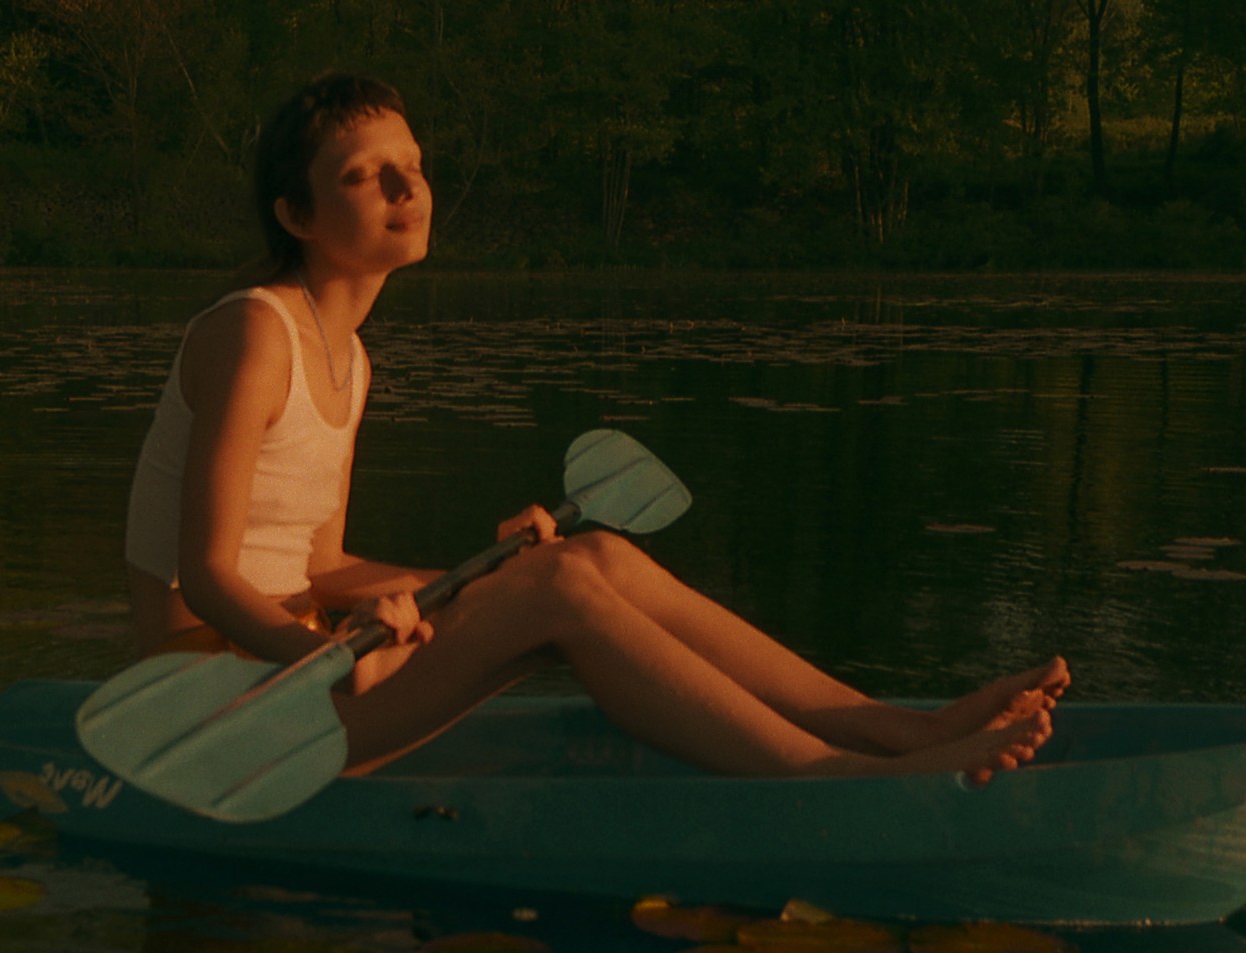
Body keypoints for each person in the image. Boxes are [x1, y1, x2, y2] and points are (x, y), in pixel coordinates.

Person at [125, 71, 1065, 785]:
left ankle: (891, 727)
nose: (406, 188)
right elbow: (206, 575)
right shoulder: (254, 334)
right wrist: (331, 658)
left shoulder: (349, 356)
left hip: (311, 660)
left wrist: (475, 580)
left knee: (589, 558)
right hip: (215, 708)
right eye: (365, 177)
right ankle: (839, 778)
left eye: (411, 165)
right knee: (558, 588)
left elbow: (319, 563)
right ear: (297, 214)